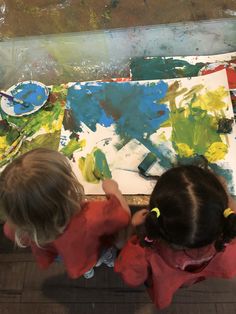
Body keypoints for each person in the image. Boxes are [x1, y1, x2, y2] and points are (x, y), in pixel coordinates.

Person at [115, 165, 236, 309]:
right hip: (198, 272)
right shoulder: (229, 231)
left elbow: (131, 277)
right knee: (187, 279)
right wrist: (225, 193)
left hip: (168, 280)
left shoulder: (146, 249)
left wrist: (132, 226)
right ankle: (188, 281)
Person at [0, 148, 131, 279]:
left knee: (73, 258)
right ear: (68, 191)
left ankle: (86, 270)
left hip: (61, 253)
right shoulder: (91, 215)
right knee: (98, 255)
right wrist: (114, 191)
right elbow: (124, 216)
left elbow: (9, 231)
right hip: (92, 250)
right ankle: (102, 262)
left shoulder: (18, 228)